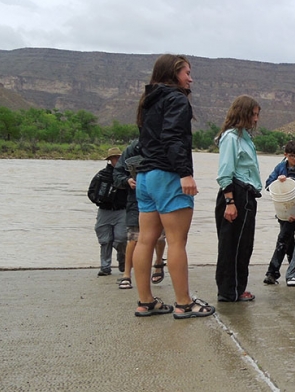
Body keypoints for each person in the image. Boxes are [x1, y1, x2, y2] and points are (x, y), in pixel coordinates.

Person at [132, 54, 215, 319]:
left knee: (145, 240)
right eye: (186, 72)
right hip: (167, 175)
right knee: (177, 241)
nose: (190, 78)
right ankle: (184, 303)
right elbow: (173, 137)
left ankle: (145, 301)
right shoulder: (177, 99)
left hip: (145, 176)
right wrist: (185, 173)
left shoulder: (148, 100)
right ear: (173, 73)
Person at [214, 95, 262, 302]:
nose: (256, 119)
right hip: (236, 193)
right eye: (254, 114)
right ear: (244, 113)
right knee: (231, 245)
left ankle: (237, 287)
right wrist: (230, 202)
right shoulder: (231, 138)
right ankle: (229, 291)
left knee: (244, 245)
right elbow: (226, 171)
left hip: (247, 195)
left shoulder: (244, 138)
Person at [113, 139, 167, 290]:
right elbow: (117, 174)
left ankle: (158, 263)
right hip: (135, 199)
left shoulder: (166, 143)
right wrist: (127, 180)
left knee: (160, 236)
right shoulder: (133, 148)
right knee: (133, 238)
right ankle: (127, 274)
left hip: (160, 196)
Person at [262, 140, 295, 285]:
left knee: (283, 239)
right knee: (289, 241)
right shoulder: (280, 168)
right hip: (282, 211)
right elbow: (268, 185)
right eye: (291, 156)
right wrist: (277, 180)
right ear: (285, 155)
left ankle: (272, 273)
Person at [88, 147, 128, 277]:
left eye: (118, 157)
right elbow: (91, 192)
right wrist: (98, 200)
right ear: (110, 160)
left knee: (121, 239)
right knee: (105, 240)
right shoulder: (101, 175)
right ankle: (105, 267)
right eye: (114, 158)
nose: (116, 160)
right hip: (104, 211)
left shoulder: (126, 175)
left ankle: (123, 259)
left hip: (122, 211)